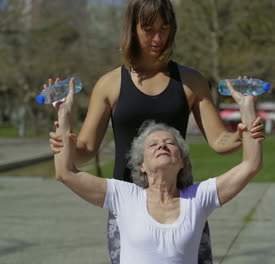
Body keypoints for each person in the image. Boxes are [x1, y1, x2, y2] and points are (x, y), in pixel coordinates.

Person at [46, 0, 264, 262]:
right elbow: (85, 151)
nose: (158, 38)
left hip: (180, 199)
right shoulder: (110, 84)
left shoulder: (191, 81)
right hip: (127, 205)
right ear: (132, 28)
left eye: (165, 28)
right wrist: (67, 146)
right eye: (149, 29)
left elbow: (219, 141)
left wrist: (241, 135)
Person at [53, 78, 263, 264]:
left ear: (182, 161)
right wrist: (64, 114)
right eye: (153, 145)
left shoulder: (198, 198)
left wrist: (247, 107)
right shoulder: (124, 196)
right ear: (140, 165)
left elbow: (251, 164)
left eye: (170, 143)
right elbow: (65, 173)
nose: (161, 146)